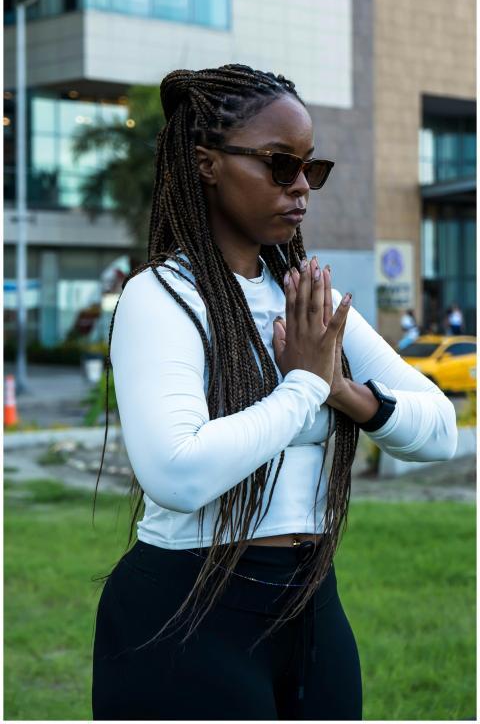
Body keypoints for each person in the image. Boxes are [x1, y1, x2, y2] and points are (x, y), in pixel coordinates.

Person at [91, 64, 458, 721]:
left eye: (310, 169)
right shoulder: (162, 297)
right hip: (186, 613)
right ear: (206, 164)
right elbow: (176, 472)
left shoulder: (308, 300)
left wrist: (345, 392)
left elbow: (439, 429)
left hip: (311, 606)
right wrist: (305, 387)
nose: (300, 188)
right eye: (278, 164)